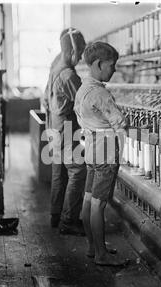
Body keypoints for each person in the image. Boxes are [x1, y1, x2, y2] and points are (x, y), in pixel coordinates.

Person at [74, 41, 128, 266]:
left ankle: (92, 246)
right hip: (106, 152)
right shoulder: (100, 94)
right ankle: (101, 255)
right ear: (98, 64)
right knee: (99, 204)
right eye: (111, 65)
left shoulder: (82, 89)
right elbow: (120, 123)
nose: (114, 69)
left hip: (92, 149)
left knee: (88, 199)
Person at [42, 28, 87, 236]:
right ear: (72, 52)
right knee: (78, 171)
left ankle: (55, 215)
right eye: (80, 53)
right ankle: (68, 221)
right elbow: (84, 103)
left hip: (54, 125)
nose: (80, 59)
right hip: (67, 128)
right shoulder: (69, 75)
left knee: (59, 172)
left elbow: (46, 98)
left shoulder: (55, 65)